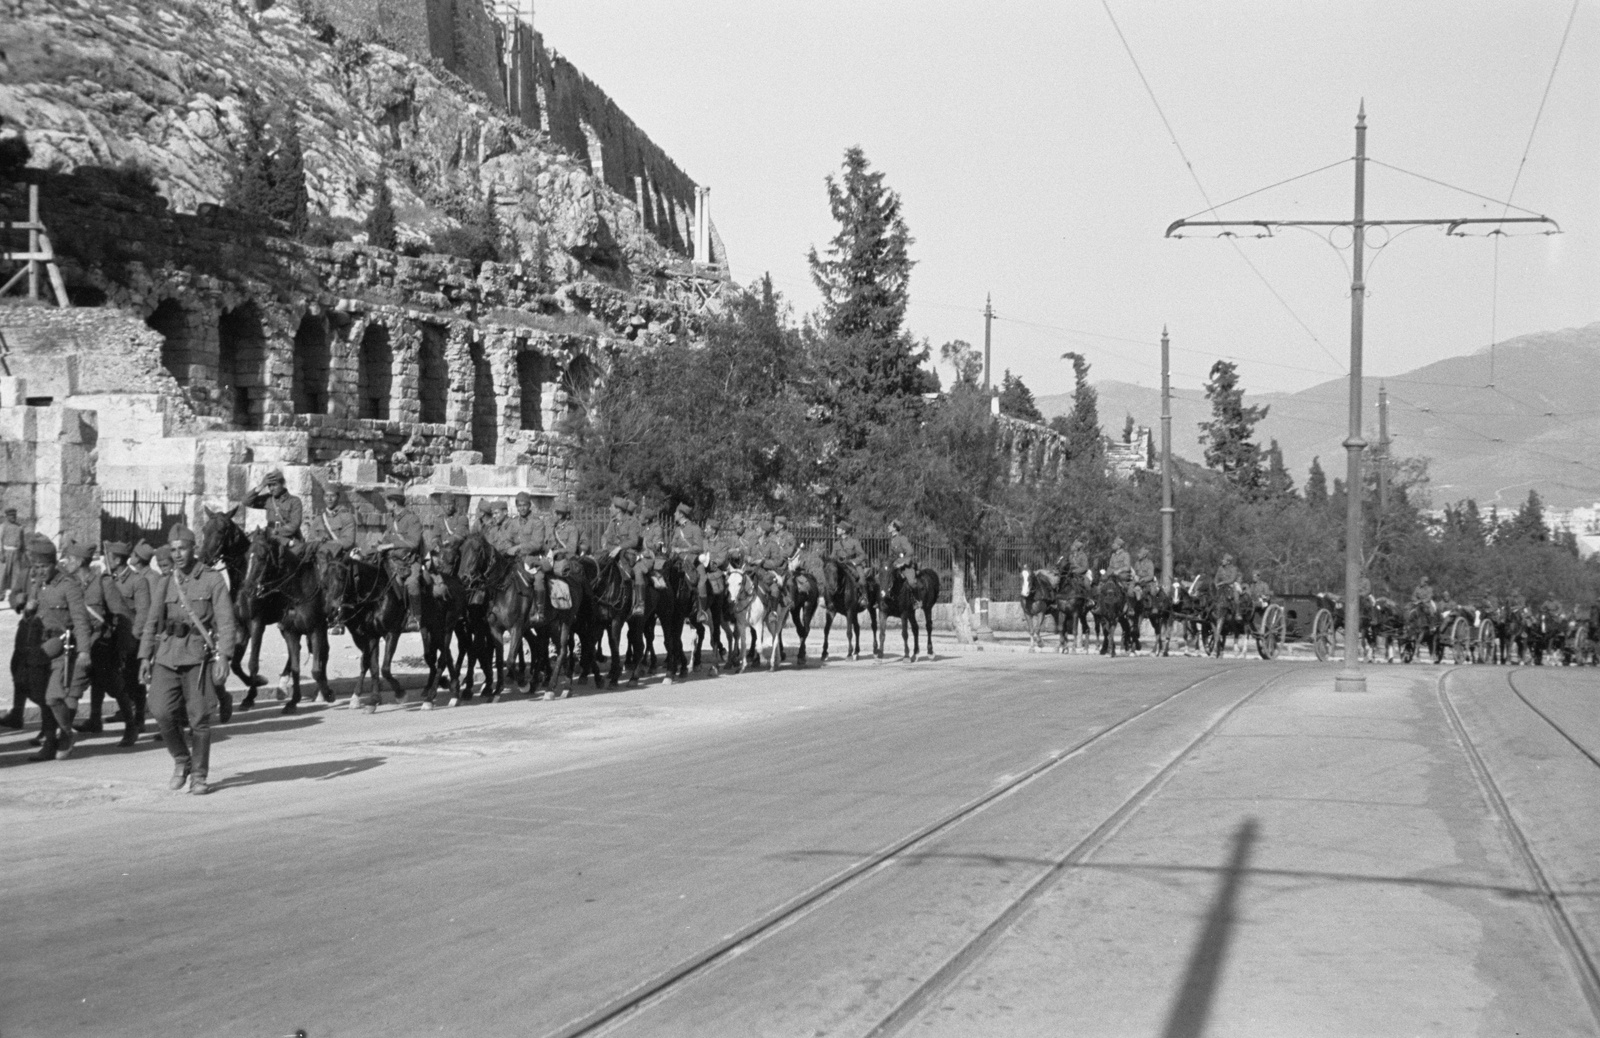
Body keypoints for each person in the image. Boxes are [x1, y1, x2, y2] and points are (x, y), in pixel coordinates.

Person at [139, 526, 236, 795]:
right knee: (160, 710)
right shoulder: (166, 582)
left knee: (199, 719)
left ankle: (199, 776)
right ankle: (182, 760)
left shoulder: (212, 579)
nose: (178, 554)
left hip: (197, 657)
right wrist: (145, 656)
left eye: (182, 548)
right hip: (167, 655)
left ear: (194, 548)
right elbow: (151, 621)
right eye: (173, 549)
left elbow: (226, 622)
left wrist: (224, 656)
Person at [25, 536, 93, 762]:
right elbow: (33, 618)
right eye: (37, 567)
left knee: (53, 697)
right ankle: (50, 743)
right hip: (41, 648)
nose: (40, 571)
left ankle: (66, 733)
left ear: (55, 564)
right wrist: (28, 609)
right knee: (41, 698)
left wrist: (84, 651)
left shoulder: (69, 586)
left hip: (63, 651)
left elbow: (80, 620)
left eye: (44, 566)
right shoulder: (37, 585)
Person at [76, 541, 139, 746]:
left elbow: (121, 613)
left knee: (112, 685)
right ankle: (94, 720)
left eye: (69, 558)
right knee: (84, 684)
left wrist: (122, 647)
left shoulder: (103, 582)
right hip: (82, 642)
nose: (65, 562)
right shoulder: (72, 583)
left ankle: (131, 726)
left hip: (103, 643)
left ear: (79, 562)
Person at [374, 487, 425, 622]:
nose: (385, 505)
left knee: (412, 583)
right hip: (392, 560)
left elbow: (414, 543)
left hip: (410, 561)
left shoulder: (412, 519)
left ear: (394, 504)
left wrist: (391, 545)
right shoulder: (391, 520)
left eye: (387, 502)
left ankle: (415, 617)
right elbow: (386, 539)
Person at [243, 468, 303, 560]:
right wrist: (261, 485)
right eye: (269, 486)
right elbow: (246, 501)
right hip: (271, 540)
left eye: (274, 485)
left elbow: (294, 525)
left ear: (282, 484)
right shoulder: (268, 499)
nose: (271, 489)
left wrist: (276, 531)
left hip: (289, 540)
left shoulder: (294, 501)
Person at [306, 490, 357, 566]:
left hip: (339, 557)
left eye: (332, 496)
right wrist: (319, 541)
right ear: (323, 498)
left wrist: (326, 543)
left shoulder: (346, 516)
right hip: (319, 558)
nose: (329, 499)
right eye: (326, 496)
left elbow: (348, 542)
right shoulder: (318, 519)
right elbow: (310, 540)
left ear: (338, 497)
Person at [546, 497, 587, 578]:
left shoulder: (571, 528)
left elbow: (571, 549)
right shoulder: (550, 527)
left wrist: (556, 552)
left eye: (553, 514)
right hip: (551, 559)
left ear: (560, 515)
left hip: (566, 559)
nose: (551, 516)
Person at [831, 519, 868, 593]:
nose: (837, 529)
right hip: (840, 565)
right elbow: (832, 557)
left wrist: (854, 562)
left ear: (844, 531)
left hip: (852, 565)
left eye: (839, 528)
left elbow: (863, 555)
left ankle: (864, 598)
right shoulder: (836, 544)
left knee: (862, 579)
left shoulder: (854, 542)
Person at [0, 506, 24, 593]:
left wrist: (23, 554)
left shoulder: (19, 527)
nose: (13, 517)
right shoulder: (2, 526)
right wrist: (1, 554)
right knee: (3, 574)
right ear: (7, 516)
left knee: (16, 574)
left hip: (16, 553)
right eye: (11, 516)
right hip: (6, 553)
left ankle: (15, 594)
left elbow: (22, 541)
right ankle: (1, 593)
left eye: (14, 515)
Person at [888, 519, 916, 590]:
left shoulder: (902, 538)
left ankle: (916, 600)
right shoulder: (892, 540)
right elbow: (891, 555)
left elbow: (910, 551)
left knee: (911, 582)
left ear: (895, 528)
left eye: (890, 525)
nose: (888, 527)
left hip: (904, 566)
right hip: (894, 565)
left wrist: (903, 563)